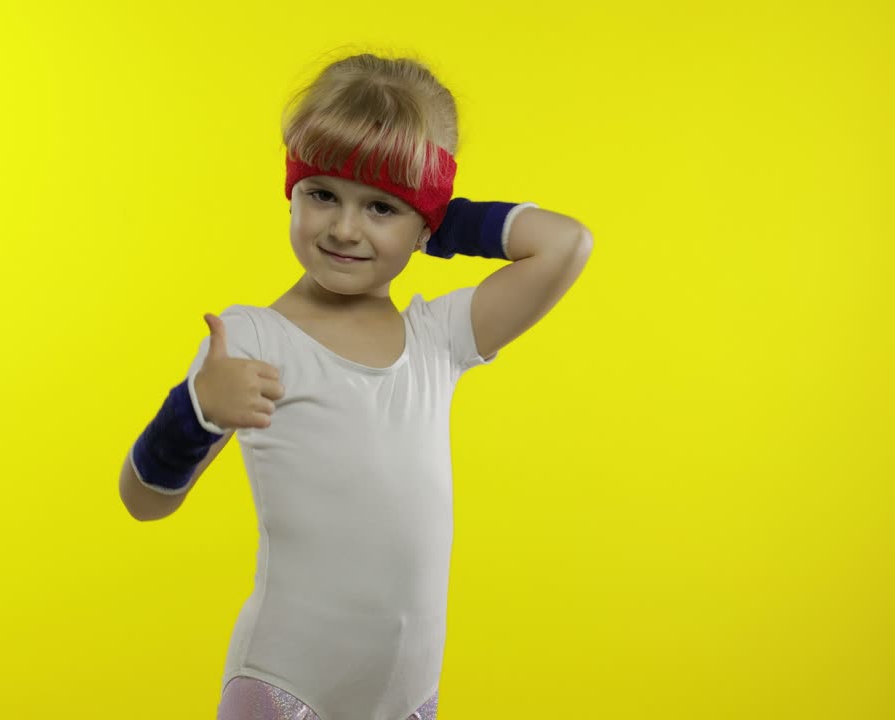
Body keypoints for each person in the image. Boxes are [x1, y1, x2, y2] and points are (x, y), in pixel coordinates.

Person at [119, 51, 591, 720]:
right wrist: (196, 413)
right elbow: (143, 501)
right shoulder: (253, 341)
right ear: (292, 191)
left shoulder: (438, 339)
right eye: (322, 194)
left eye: (380, 207)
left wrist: (438, 218)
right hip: (285, 688)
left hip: (406, 697)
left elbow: (566, 244)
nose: (345, 228)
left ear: (426, 221)